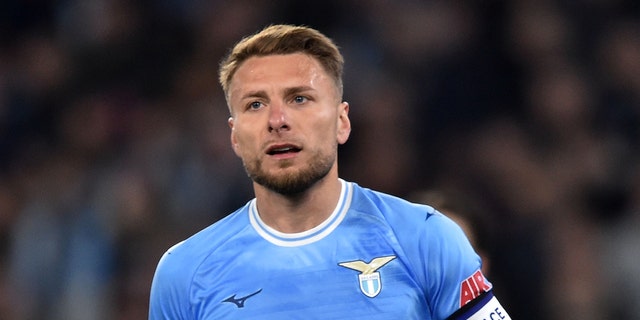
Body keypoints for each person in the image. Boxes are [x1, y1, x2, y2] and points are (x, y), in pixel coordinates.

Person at [149, 24, 511, 320]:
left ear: (341, 121)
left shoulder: (426, 239)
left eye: (299, 99)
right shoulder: (185, 272)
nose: (278, 121)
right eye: (255, 104)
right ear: (234, 136)